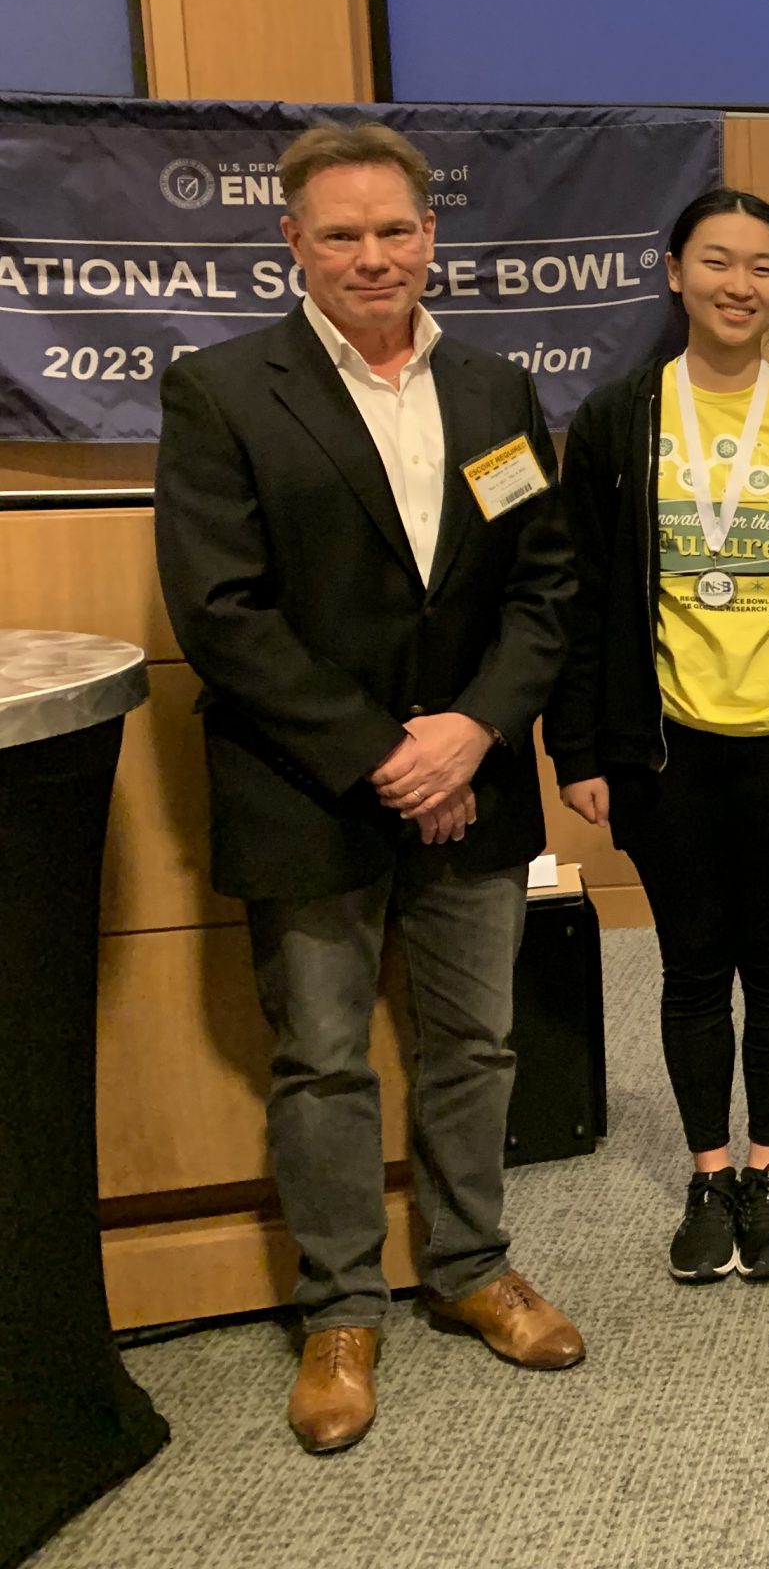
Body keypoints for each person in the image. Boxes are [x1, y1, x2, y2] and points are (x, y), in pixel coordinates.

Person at [153, 121, 581, 1456]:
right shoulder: (221, 391)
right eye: (341, 233)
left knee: (478, 1044)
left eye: (395, 230)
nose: (373, 255)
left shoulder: (501, 392)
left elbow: (544, 587)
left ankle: (470, 1268)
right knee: (326, 1060)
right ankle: (339, 1312)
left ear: (429, 236)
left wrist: (472, 734)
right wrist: (390, 757)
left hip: (476, 783)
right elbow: (222, 613)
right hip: (311, 790)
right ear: (293, 243)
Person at [547, 188, 769, 1284]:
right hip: (663, 751)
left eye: (761, 268)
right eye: (716, 261)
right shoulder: (615, 421)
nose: (738, 285)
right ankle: (708, 1175)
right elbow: (582, 596)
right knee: (692, 971)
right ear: (673, 274)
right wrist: (580, 750)